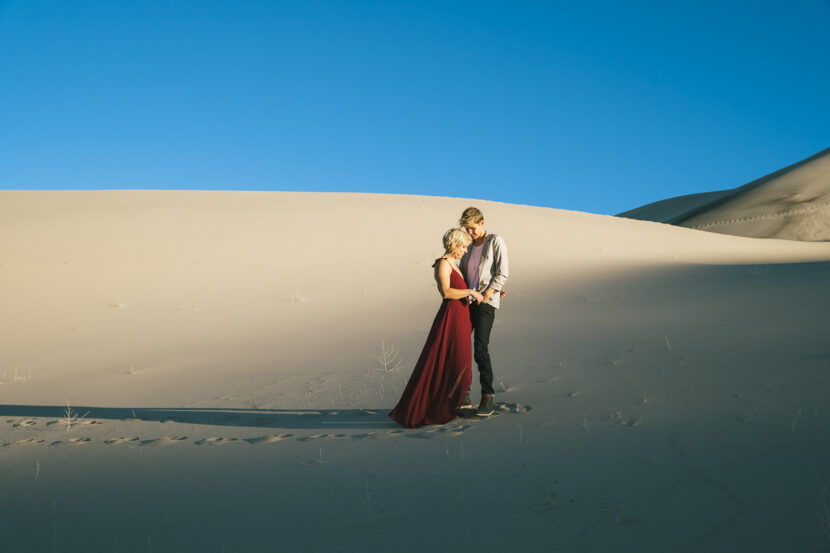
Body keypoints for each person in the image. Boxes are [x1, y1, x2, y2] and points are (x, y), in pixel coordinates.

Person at [389, 229, 485, 428]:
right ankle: (436, 409)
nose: (465, 251)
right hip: (451, 318)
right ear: (453, 245)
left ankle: (450, 406)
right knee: (452, 364)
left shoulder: (454, 264)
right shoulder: (442, 263)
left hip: (462, 318)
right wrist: (469, 292)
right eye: (463, 246)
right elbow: (447, 292)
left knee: (461, 364)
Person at [458, 207, 509, 416]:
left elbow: (503, 271)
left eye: (473, 228)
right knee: (461, 348)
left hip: (485, 302)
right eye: (467, 230)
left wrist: (490, 292)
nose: (470, 233)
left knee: (480, 347)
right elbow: (463, 274)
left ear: (482, 223)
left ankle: (488, 395)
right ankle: (464, 394)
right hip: (466, 302)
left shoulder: (495, 241)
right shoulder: (468, 247)